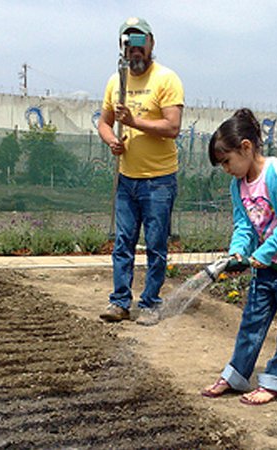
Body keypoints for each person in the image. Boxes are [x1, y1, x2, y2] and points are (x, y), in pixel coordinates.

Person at [201, 108, 277, 405]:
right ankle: (237, 375)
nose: (226, 169)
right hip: (265, 266)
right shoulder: (237, 185)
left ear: (246, 147)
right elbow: (243, 224)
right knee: (252, 321)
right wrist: (238, 251)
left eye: (227, 161)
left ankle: (276, 382)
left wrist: (265, 252)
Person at [97, 17, 184, 326]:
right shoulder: (115, 82)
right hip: (126, 179)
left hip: (158, 180)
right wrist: (111, 140)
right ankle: (120, 302)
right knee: (123, 242)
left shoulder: (166, 79)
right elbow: (104, 122)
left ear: (151, 44)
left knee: (156, 244)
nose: (134, 51)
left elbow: (172, 126)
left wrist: (134, 122)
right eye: (128, 44)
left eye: (139, 43)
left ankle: (150, 303)